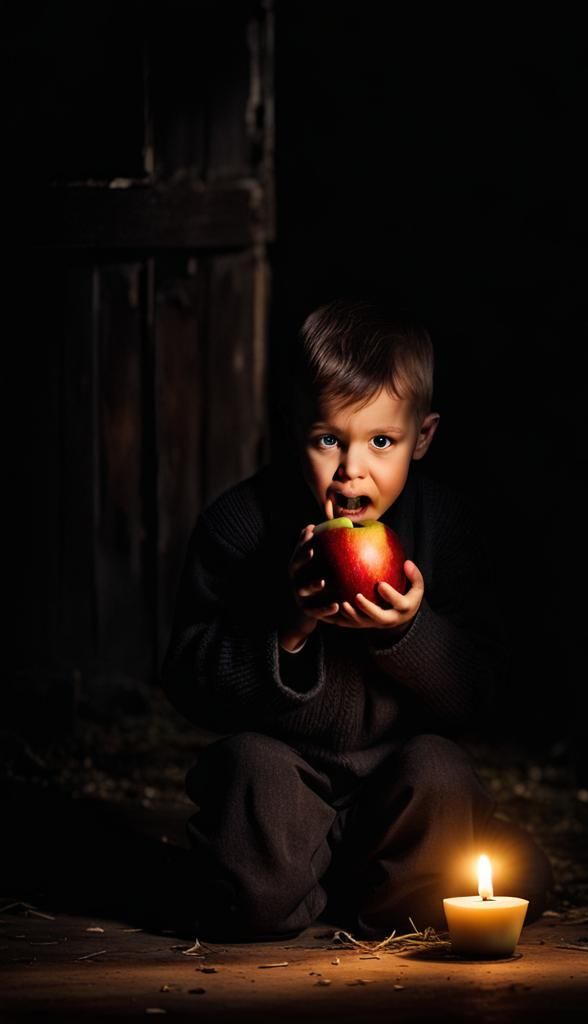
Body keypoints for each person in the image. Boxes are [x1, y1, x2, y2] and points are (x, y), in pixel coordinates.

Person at [159, 295, 553, 942]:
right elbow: (186, 680)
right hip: (288, 779)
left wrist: (408, 631)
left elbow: (485, 692)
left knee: (440, 772)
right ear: (293, 430)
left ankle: (389, 888)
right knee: (250, 779)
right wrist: (287, 625)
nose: (351, 469)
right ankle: (290, 884)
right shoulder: (239, 524)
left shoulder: (445, 529)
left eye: (380, 440)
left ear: (422, 438)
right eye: (327, 440)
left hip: (395, 786)